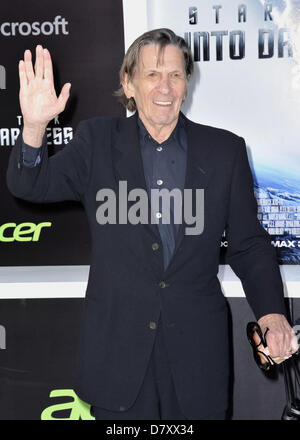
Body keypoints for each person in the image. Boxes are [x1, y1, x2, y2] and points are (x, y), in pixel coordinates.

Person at [6, 28, 298, 420]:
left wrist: (272, 314)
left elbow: (248, 244)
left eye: (176, 75)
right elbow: (30, 184)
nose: (165, 86)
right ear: (128, 83)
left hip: (198, 360)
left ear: (186, 84)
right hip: (117, 359)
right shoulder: (96, 141)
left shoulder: (224, 150)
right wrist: (34, 127)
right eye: (152, 74)